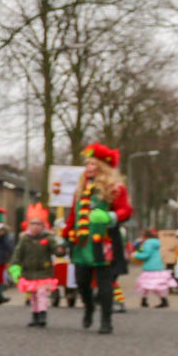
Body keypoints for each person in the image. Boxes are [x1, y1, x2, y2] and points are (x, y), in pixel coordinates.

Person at [62, 143, 131, 335]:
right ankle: (89, 307)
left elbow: (126, 211)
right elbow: (73, 216)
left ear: (102, 166)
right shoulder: (81, 189)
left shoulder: (115, 188)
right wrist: (65, 236)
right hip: (82, 243)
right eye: (87, 164)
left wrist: (109, 217)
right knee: (81, 282)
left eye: (92, 163)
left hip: (104, 242)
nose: (88, 167)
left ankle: (106, 321)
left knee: (105, 284)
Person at [9, 205, 62, 327]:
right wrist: (15, 266)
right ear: (28, 225)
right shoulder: (24, 240)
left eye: (38, 224)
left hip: (44, 272)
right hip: (29, 272)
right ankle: (35, 315)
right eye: (33, 224)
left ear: (43, 226)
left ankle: (42, 314)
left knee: (41, 293)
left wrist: (61, 250)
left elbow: (57, 251)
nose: (35, 226)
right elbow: (18, 254)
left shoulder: (48, 239)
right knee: (33, 295)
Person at [131, 227, 172, 308]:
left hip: (150, 268)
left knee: (144, 285)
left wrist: (135, 255)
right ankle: (162, 300)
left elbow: (146, 255)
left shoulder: (148, 243)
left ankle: (144, 301)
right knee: (157, 285)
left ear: (145, 236)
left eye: (142, 236)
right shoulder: (155, 242)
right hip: (158, 267)